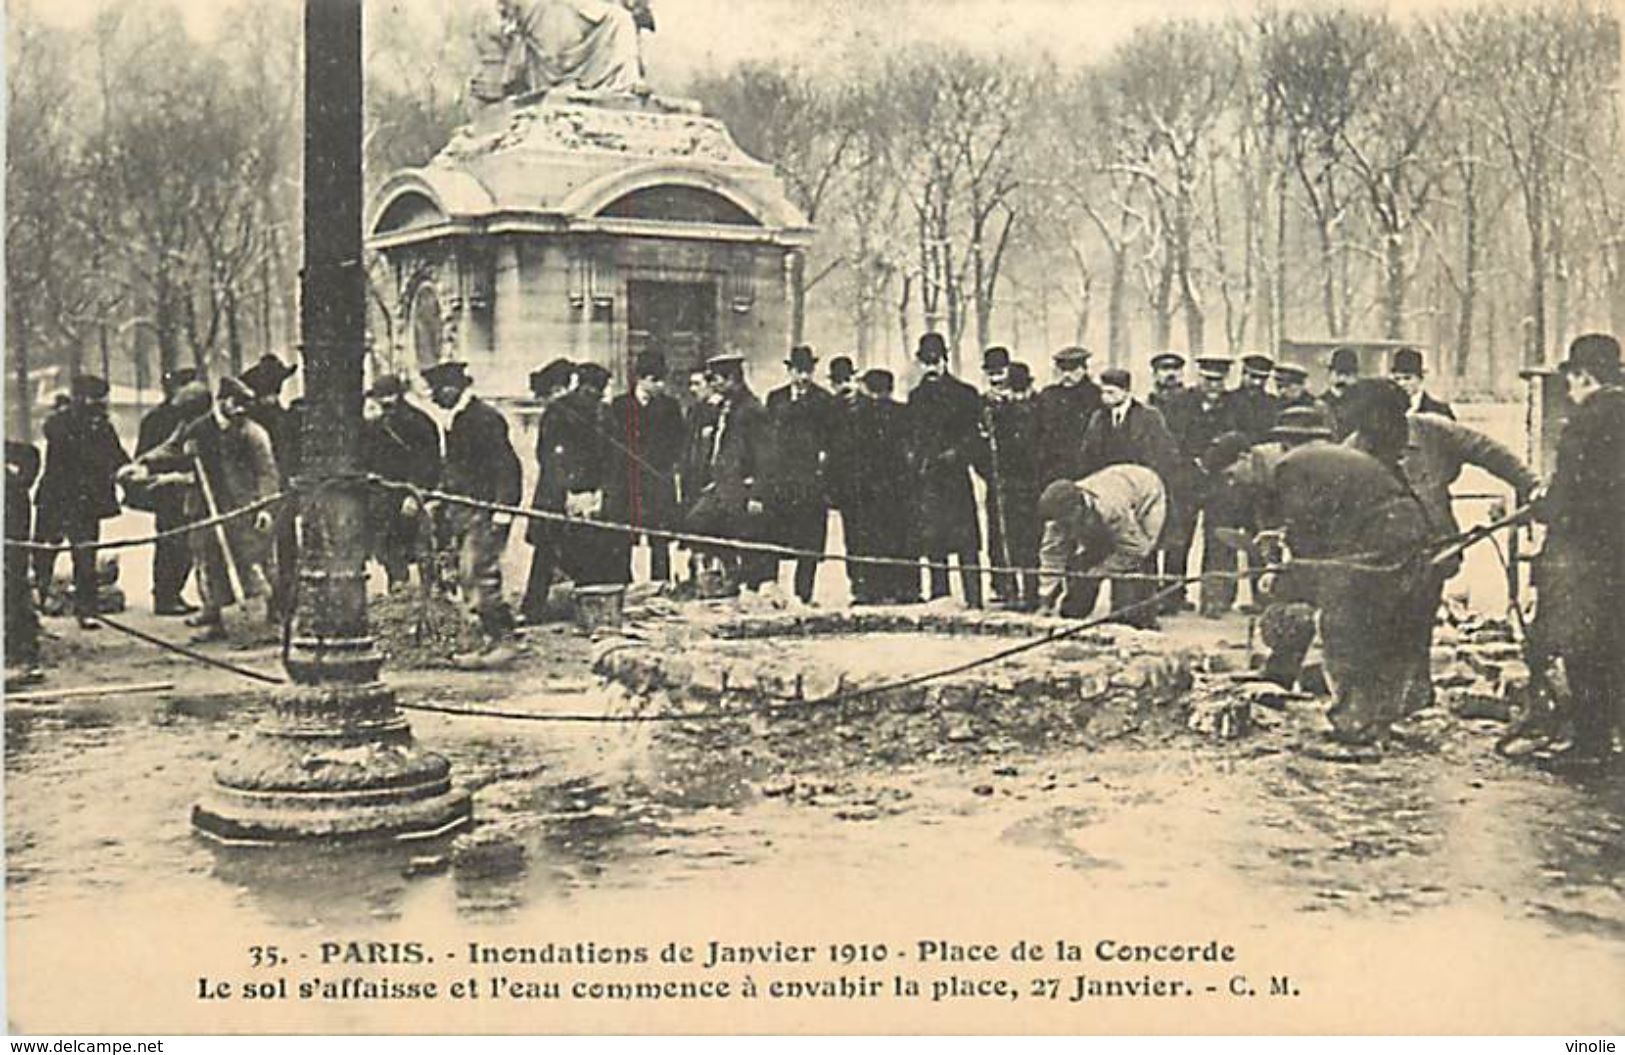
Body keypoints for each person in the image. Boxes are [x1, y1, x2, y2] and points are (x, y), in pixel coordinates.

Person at [1207, 431, 1432, 749]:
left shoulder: (1289, 470)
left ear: (1246, 457)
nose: (1233, 484)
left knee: (1343, 623)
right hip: (1390, 529)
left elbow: (1310, 540)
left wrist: (1285, 574)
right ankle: (1294, 682)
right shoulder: (1293, 462)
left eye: (1231, 475)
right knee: (1344, 616)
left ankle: (1355, 729)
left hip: (1386, 535)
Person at [122, 379, 279, 643]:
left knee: (249, 562)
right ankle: (218, 621)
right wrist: (144, 464)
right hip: (203, 505)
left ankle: (263, 622)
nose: (241, 410)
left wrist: (265, 507)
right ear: (223, 401)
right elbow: (171, 448)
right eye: (236, 404)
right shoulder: (197, 428)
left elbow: (267, 472)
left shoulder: (252, 433)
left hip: (241, 508)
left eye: (244, 406)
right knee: (210, 564)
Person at [1533, 333, 1625, 764]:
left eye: (1571, 378)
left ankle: (1589, 743)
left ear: (1583, 376)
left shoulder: (1586, 422)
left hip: (1586, 554)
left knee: (1584, 644)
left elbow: (1568, 494)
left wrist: (1544, 508)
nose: (1569, 389)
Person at [423, 360, 523, 665]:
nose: (434, 398)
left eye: (436, 391)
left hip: (484, 509)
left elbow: (507, 466)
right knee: (469, 576)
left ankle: (504, 641)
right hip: (461, 508)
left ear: (453, 388)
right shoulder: (458, 419)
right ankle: (491, 641)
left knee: (477, 573)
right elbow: (455, 466)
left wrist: (503, 510)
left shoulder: (484, 419)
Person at [33, 375, 131, 628]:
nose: (103, 403)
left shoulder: (101, 425)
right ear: (82, 398)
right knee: (43, 553)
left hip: (86, 503)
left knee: (85, 557)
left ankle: (86, 610)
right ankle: (36, 604)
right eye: (98, 398)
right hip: (58, 498)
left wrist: (130, 470)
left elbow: (117, 455)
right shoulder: (60, 423)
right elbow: (81, 455)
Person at [908, 332, 985, 608]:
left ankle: (974, 600)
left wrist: (958, 453)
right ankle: (941, 599)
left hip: (955, 479)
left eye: (935, 361)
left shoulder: (966, 394)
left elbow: (976, 438)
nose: (930, 368)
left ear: (945, 360)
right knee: (933, 541)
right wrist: (917, 460)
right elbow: (914, 436)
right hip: (929, 480)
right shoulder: (916, 397)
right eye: (925, 362)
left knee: (966, 543)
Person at [685, 353, 772, 594]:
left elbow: (764, 457)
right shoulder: (727, 406)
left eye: (719, 380)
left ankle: (743, 584)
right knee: (698, 523)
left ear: (733, 379)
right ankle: (728, 576)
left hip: (741, 488)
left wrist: (757, 494)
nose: (715, 385)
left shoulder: (753, 410)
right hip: (721, 486)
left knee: (743, 538)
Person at [1036, 464, 1166, 626]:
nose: (1063, 527)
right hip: (1113, 487)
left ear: (1078, 508)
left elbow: (1136, 550)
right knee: (1082, 569)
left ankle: (1141, 616)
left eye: (1066, 522)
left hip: (1145, 491)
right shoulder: (1057, 519)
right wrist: (1045, 599)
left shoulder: (1111, 509)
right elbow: (1052, 557)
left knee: (1134, 570)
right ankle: (1075, 611)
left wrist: (1100, 571)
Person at [762, 344, 836, 604]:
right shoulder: (775, 399)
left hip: (810, 481)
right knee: (774, 537)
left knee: (810, 542)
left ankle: (804, 595)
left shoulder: (824, 400)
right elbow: (767, 439)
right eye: (799, 371)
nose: (804, 377)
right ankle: (774, 596)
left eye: (808, 371)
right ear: (790, 371)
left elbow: (831, 441)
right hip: (780, 482)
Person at [605, 349, 685, 586]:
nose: (661, 385)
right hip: (626, 482)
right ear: (642, 379)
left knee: (659, 536)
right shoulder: (619, 406)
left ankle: (661, 584)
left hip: (657, 480)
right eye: (656, 380)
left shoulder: (670, 406)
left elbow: (678, 441)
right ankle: (623, 583)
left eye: (662, 380)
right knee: (623, 536)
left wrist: (665, 465)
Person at [361, 374, 442, 591]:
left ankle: (431, 594)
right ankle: (399, 590)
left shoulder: (419, 423)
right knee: (388, 547)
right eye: (381, 397)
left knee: (421, 547)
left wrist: (416, 494)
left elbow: (428, 463)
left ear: (399, 395)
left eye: (389, 396)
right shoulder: (374, 424)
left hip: (409, 494)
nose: (385, 402)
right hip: (382, 496)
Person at [134, 367, 203, 616]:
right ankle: (165, 595)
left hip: (186, 486)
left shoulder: (188, 414)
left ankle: (173, 593)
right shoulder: (159, 419)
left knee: (185, 544)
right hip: (168, 491)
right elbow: (148, 455)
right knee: (171, 543)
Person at [845, 369, 918, 605]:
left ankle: (869, 590)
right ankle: (905, 589)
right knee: (900, 540)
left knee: (867, 540)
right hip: (899, 490)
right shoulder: (904, 414)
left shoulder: (857, 416)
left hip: (867, 490)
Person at [240, 353, 301, 625]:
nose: (273, 397)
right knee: (270, 548)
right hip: (265, 491)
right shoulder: (259, 423)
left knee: (279, 548)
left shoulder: (278, 419)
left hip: (277, 491)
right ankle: (276, 603)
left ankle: (281, 603)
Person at [519, 358, 577, 621]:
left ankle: (535, 606)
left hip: (555, 491)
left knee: (548, 550)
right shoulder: (563, 412)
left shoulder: (558, 412)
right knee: (551, 549)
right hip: (557, 491)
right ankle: (537, 605)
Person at [1147, 353, 1203, 612]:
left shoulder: (1193, 403)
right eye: (1164, 370)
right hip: (1156, 478)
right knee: (1152, 534)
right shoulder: (1148, 404)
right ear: (1155, 374)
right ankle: (1150, 591)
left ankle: (1174, 592)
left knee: (1181, 538)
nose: (1170, 374)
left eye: (1175, 370)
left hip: (1184, 480)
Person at [1188, 358, 1242, 617]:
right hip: (1188, 478)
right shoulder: (1182, 403)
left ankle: (1216, 599)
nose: (1212, 385)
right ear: (1198, 377)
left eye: (1218, 380)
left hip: (1222, 481)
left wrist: (1217, 457)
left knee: (1220, 539)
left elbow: (1243, 439)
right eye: (1207, 379)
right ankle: (1173, 595)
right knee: (1179, 540)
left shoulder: (1236, 404)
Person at [1033, 345, 1101, 488]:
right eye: (1063, 370)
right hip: (1053, 468)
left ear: (1084, 369)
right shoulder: (1048, 395)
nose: (1067, 375)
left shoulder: (1095, 395)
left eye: (1073, 370)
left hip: (1086, 467)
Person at [6, 439, 44, 679]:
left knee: (13, 582)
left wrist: (22, 484)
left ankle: (23, 651)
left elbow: (29, 453)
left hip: (10, 516)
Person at [1388, 346, 1454, 419]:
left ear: (1420, 378)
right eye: (1397, 379)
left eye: (1407, 378)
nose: (1401, 383)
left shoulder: (1440, 411)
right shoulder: (1387, 410)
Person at [1230, 354, 1281, 443]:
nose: (1257, 382)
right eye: (1253, 377)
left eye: (1263, 378)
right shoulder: (1228, 400)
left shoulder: (1273, 403)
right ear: (1243, 374)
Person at [1320, 346, 1361, 439]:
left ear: (1356, 377)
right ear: (1329, 374)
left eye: (1348, 374)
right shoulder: (1319, 404)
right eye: (1339, 373)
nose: (1342, 379)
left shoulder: (1364, 405)